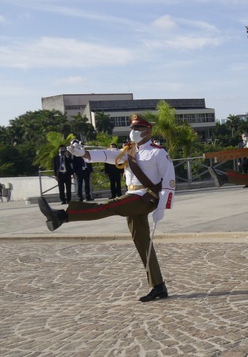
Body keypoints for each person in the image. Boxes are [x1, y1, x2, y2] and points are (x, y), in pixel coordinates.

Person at [38, 114, 175, 302]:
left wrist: (162, 206)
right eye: (133, 129)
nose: (134, 132)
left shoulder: (158, 152)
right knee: (143, 243)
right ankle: (158, 286)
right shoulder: (129, 151)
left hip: (146, 197)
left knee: (109, 206)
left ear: (148, 131)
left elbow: (169, 182)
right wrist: (83, 154)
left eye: (138, 129)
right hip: (133, 195)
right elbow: (108, 155)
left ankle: (63, 216)